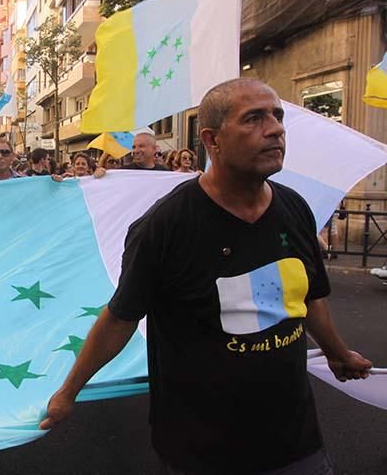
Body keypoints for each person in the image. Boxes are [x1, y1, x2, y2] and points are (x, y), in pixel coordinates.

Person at [41, 78, 372, 474]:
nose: (275, 129)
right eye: (253, 118)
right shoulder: (165, 226)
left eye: (277, 116)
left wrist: (337, 352)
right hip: (200, 450)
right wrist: (67, 393)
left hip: (295, 443)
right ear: (212, 140)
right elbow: (119, 319)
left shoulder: (295, 209)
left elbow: (309, 298)